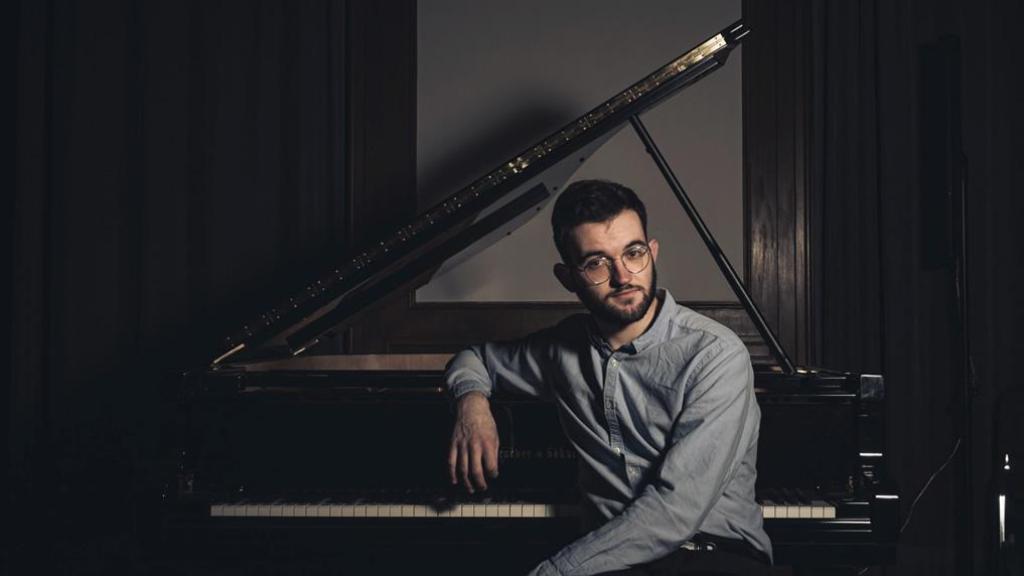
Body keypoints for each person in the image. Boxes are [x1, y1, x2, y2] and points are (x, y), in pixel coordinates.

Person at [444, 180, 771, 575]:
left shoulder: (715, 355)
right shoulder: (560, 348)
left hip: (712, 554)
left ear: (652, 253)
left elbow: (675, 510)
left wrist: (557, 571)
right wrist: (472, 405)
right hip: (612, 561)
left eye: (633, 254)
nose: (622, 276)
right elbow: (475, 358)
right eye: (596, 262)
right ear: (568, 277)